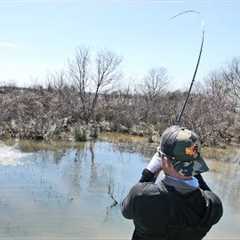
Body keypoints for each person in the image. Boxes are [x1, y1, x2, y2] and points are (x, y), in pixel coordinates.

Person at [121, 125, 223, 240]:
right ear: (196, 162)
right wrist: (190, 168)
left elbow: (126, 211)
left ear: (165, 161)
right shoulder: (213, 206)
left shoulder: (141, 195)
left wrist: (148, 173)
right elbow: (207, 193)